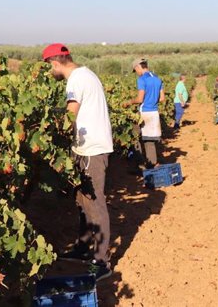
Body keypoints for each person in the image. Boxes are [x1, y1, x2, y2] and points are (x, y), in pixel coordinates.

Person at [42, 43, 114, 281]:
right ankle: (83, 248)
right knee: (83, 201)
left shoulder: (75, 80)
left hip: (91, 150)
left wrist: (44, 130)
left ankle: (102, 261)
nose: (49, 73)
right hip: (87, 147)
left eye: (48, 67)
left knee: (95, 202)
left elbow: (70, 115)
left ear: (55, 63)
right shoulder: (86, 74)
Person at [124, 58, 164, 168]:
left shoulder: (142, 79)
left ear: (138, 67)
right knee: (150, 141)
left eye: (135, 70)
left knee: (135, 137)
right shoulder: (158, 79)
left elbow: (140, 99)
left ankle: (140, 165)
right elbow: (162, 99)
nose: (136, 73)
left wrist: (130, 102)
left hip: (144, 113)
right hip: (154, 112)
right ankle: (153, 164)